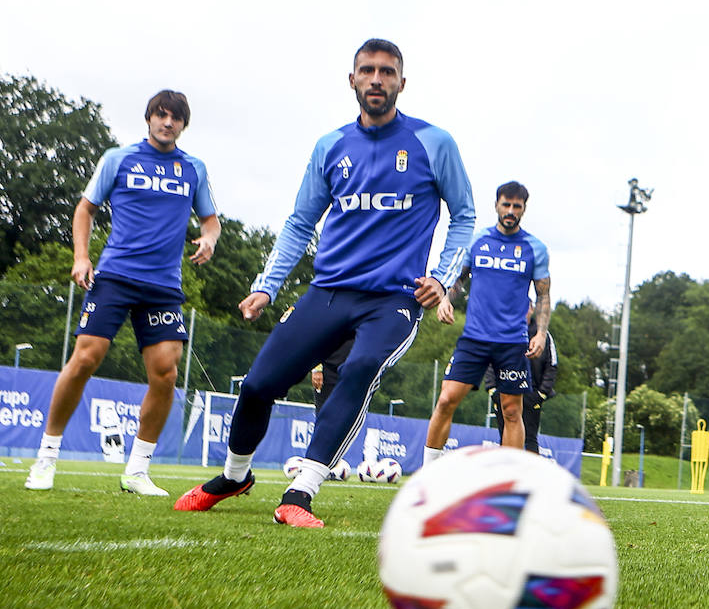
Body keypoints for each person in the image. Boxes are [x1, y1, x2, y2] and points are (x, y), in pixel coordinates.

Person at [174, 38, 475, 527]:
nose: (377, 79)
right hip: (328, 292)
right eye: (367, 70)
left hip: (392, 301)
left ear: (402, 82)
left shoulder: (433, 143)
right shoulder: (330, 146)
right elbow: (299, 223)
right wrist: (267, 285)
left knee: (358, 370)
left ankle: (302, 492)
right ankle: (234, 476)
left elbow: (463, 216)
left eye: (387, 71)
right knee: (256, 386)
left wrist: (441, 277)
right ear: (352, 79)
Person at [26, 90, 219, 495]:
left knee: (166, 374)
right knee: (85, 358)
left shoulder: (194, 169)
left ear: (184, 125)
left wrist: (208, 238)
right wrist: (81, 257)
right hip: (115, 276)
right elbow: (85, 208)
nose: (168, 123)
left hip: (164, 286)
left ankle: (136, 471)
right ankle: (46, 457)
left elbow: (211, 220)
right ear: (149, 119)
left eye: (176, 118)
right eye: (161, 115)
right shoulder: (118, 158)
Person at [424, 182, 551, 462]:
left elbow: (543, 295)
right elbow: (457, 280)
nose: (510, 211)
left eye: (517, 206)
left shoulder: (535, 249)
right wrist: (446, 298)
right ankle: (427, 475)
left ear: (523, 210)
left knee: (511, 411)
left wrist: (541, 333)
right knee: (446, 400)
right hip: (474, 339)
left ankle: (507, 482)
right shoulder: (478, 241)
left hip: (512, 342)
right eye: (506, 204)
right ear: (496, 205)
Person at [484, 307, 558, 454]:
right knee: (505, 436)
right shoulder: (502, 331)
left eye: (526, 307)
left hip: (532, 395)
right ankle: (506, 473)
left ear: (531, 310)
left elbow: (552, 366)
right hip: (505, 393)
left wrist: (541, 395)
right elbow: (489, 361)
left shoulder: (543, 335)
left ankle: (529, 476)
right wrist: (493, 391)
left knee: (530, 439)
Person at [311, 337, 354, 412]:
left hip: (353, 372)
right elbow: (316, 335)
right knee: (325, 416)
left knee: (349, 417)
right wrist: (316, 368)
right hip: (328, 372)